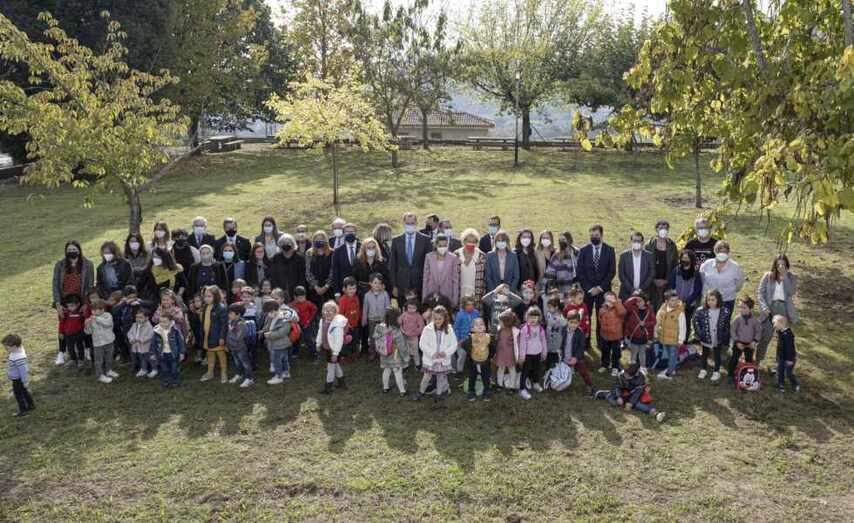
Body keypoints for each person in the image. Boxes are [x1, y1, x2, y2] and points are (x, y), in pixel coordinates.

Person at [52, 241, 95, 364]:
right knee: (64, 324)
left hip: (81, 299)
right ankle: (61, 352)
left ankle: (87, 349)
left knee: (85, 323)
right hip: (65, 300)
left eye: (74, 249)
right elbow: (55, 284)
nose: (72, 252)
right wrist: (58, 303)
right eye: (69, 250)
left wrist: (86, 303)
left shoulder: (88, 264)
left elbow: (90, 284)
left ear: (79, 250)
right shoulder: (60, 265)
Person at [576, 225, 617, 356]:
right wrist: (589, 288)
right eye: (592, 235)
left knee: (602, 318)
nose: (594, 237)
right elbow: (580, 271)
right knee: (585, 317)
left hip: (603, 291)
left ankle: (601, 342)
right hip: (587, 291)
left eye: (596, 235)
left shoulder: (610, 250)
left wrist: (599, 288)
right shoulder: (583, 250)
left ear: (601, 235)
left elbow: (611, 272)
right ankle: (585, 342)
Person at [756, 254, 799, 370]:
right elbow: (760, 293)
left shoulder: (792, 277)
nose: (780, 266)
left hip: (784, 309)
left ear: (787, 265)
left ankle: (779, 365)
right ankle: (757, 361)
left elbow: (791, 292)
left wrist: (785, 277)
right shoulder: (768, 276)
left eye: (783, 264)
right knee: (765, 336)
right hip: (770, 308)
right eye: (778, 264)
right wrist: (764, 307)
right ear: (775, 265)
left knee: (783, 339)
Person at [414, 305, 457, 401]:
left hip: (442, 359)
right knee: (427, 376)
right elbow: (422, 344)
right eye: (435, 319)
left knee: (440, 377)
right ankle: (421, 392)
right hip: (431, 359)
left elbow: (454, 344)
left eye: (440, 319)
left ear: (444, 318)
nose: (437, 321)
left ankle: (439, 393)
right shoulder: (427, 329)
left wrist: (446, 353)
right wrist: (432, 353)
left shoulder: (449, 329)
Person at [389, 212, 432, 300]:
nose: (410, 225)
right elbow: (393, 265)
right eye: (407, 223)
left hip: (419, 283)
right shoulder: (396, 241)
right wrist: (394, 285)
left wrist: (428, 284)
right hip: (402, 284)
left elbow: (430, 264)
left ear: (416, 223)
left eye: (412, 223)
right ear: (403, 223)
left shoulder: (425, 240)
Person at [602, 363, 666, 422]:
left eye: (628, 376)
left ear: (634, 375)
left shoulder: (640, 377)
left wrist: (631, 403)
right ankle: (606, 394)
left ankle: (656, 414)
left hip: (634, 394)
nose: (625, 376)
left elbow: (638, 392)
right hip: (623, 392)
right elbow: (617, 386)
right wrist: (619, 396)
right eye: (625, 374)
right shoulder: (621, 374)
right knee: (615, 403)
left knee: (637, 404)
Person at [692, 289, 732, 382]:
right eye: (708, 300)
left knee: (717, 354)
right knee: (704, 353)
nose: (710, 302)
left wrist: (724, 335)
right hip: (705, 336)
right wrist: (700, 333)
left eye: (713, 300)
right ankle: (703, 369)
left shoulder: (724, 311)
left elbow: (727, 325)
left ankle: (716, 371)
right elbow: (695, 321)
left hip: (717, 337)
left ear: (718, 300)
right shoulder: (701, 311)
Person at [699, 240, 744, 317]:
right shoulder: (706, 264)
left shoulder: (735, 267)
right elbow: (701, 280)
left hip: (727, 301)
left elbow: (739, 284)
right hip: (709, 300)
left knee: (724, 323)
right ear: (715, 252)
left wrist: (730, 291)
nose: (722, 254)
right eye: (719, 251)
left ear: (728, 253)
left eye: (725, 252)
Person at [372, 306, 409, 396]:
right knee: (397, 371)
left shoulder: (380, 327)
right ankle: (402, 391)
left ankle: (385, 387)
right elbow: (401, 346)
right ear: (395, 319)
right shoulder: (396, 331)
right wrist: (406, 357)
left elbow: (374, 336)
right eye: (399, 317)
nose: (401, 319)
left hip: (384, 354)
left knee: (386, 369)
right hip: (395, 355)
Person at [668, 249, 702, 342]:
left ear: (691, 260)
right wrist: (675, 300)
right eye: (683, 258)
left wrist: (687, 302)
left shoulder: (696, 273)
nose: (685, 261)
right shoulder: (676, 270)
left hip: (688, 304)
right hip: (675, 303)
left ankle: (684, 341)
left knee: (686, 322)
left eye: (687, 259)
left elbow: (697, 290)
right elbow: (671, 285)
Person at [646, 220, 679, 311]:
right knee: (651, 307)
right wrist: (653, 280)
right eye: (661, 228)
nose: (663, 230)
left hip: (666, 283)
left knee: (664, 308)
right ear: (656, 229)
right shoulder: (648, 245)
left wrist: (667, 280)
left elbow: (675, 265)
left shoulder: (672, 246)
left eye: (665, 228)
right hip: (651, 283)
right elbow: (645, 265)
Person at [317, 300, 349, 394]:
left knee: (330, 368)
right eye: (325, 310)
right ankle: (342, 383)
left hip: (334, 350)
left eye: (330, 310)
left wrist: (335, 354)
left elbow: (339, 340)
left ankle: (328, 387)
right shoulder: (323, 321)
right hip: (327, 348)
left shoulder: (337, 325)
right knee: (336, 365)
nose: (327, 312)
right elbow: (320, 333)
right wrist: (318, 343)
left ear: (335, 312)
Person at [199, 285, 229, 384]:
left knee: (220, 353)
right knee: (210, 353)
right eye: (205, 296)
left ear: (215, 296)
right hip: (207, 335)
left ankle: (224, 372)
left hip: (217, 336)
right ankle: (210, 372)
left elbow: (224, 324)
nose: (206, 298)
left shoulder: (221, 308)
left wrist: (222, 337)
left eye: (209, 296)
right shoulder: (205, 307)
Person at [728, 296, 761, 383]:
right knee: (734, 359)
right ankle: (730, 374)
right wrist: (736, 341)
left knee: (749, 359)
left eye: (744, 308)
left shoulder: (755, 321)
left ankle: (747, 374)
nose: (741, 309)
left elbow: (758, 331)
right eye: (740, 307)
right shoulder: (737, 319)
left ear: (750, 309)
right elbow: (732, 330)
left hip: (750, 344)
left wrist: (755, 341)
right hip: (739, 343)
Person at [517, 307, 548, 400]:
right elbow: (522, 344)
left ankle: (535, 383)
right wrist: (522, 356)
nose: (533, 319)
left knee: (537, 369)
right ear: (527, 317)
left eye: (535, 317)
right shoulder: (524, 329)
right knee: (525, 371)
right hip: (527, 355)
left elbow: (543, 341)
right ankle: (522, 389)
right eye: (531, 317)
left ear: (539, 318)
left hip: (537, 353)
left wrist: (544, 352)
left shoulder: (540, 329)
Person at [654, 290, 686, 379]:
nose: (674, 302)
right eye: (672, 300)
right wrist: (656, 333)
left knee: (673, 355)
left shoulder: (680, 312)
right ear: (666, 301)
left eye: (676, 300)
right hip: (664, 338)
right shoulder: (662, 310)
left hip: (674, 339)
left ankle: (668, 373)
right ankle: (672, 368)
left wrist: (681, 339)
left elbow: (683, 327)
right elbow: (657, 322)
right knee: (669, 354)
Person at [422, 233, 461, 306]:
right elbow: (425, 279)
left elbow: (455, 281)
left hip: (447, 296)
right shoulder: (429, 257)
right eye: (440, 246)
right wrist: (424, 298)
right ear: (436, 245)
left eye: (444, 245)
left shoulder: (453, 258)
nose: (442, 248)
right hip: (432, 295)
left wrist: (455, 300)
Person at [85, 299, 118, 384]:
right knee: (99, 360)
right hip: (98, 344)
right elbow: (88, 332)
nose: (93, 312)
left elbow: (107, 324)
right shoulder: (91, 319)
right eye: (92, 310)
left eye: (95, 310)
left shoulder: (108, 315)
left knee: (109, 357)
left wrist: (96, 319)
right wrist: (87, 325)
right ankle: (99, 375)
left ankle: (108, 370)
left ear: (102, 309)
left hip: (109, 341)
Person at [623, 291, 656, 374]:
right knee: (634, 352)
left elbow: (654, 321)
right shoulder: (632, 308)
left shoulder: (649, 309)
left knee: (642, 352)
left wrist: (645, 324)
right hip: (634, 334)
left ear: (645, 301)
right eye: (637, 301)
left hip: (644, 335)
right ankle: (632, 367)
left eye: (640, 301)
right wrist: (634, 298)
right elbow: (626, 304)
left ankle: (643, 367)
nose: (638, 303)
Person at [563, 311, 596, 395]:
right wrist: (559, 350)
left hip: (576, 357)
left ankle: (590, 385)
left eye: (576, 323)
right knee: (562, 371)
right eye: (571, 322)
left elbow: (581, 348)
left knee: (583, 371)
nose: (573, 325)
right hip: (565, 356)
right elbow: (561, 342)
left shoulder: (580, 333)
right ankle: (561, 382)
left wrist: (576, 358)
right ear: (567, 321)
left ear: (579, 323)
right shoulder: (563, 330)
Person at [150, 310, 186, 388]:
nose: (162, 324)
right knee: (164, 370)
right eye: (160, 322)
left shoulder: (175, 330)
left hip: (173, 354)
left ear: (170, 321)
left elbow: (180, 342)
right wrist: (152, 353)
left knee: (174, 369)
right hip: (162, 354)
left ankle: (175, 381)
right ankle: (166, 381)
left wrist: (182, 353)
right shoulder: (156, 331)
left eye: (165, 322)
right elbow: (153, 344)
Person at [3, 334, 35, 417]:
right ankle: (31, 405)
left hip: (18, 380)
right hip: (19, 379)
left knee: (18, 395)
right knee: (24, 392)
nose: (6, 349)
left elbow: (23, 371)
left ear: (14, 346)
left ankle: (23, 411)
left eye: (7, 348)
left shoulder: (18, 357)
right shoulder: (17, 350)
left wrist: (24, 381)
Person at [462, 317, 492, 401]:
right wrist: (470, 353)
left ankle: (486, 391)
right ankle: (471, 391)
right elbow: (464, 345)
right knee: (472, 377)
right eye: (476, 325)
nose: (479, 326)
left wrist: (490, 357)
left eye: (481, 324)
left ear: (485, 327)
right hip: (473, 362)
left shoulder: (488, 337)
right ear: (472, 329)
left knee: (486, 377)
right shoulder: (471, 338)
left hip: (485, 362)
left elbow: (493, 348)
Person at [455, 229, 486, 309]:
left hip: (475, 292)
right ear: (464, 241)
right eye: (469, 241)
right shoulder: (456, 254)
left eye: (473, 241)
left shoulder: (481, 256)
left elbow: (484, 277)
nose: (471, 244)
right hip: (460, 291)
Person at [269, 234, 307, 300]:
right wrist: (276, 290)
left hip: (296, 293)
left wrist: (299, 292)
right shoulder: (276, 258)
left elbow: (302, 277)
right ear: (280, 246)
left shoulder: (300, 258)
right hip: (279, 293)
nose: (286, 245)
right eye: (283, 243)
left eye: (288, 243)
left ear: (293, 244)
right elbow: (273, 275)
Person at [618, 231, 653, 301]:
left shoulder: (649, 256)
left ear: (642, 242)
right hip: (626, 293)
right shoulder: (623, 256)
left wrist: (640, 289)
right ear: (631, 242)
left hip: (644, 293)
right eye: (634, 241)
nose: (636, 243)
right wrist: (632, 290)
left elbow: (651, 274)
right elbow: (621, 275)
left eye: (639, 241)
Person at [543, 231, 579, 299]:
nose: (562, 242)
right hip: (561, 292)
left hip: (575, 292)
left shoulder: (577, 253)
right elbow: (549, 274)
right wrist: (552, 289)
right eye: (560, 240)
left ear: (569, 240)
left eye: (564, 239)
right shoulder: (556, 255)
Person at [362, 274, 391, 358]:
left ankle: (380, 352)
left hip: (382, 320)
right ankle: (372, 352)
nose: (377, 285)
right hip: (372, 320)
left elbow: (388, 307)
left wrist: (387, 319)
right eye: (375, 283)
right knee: (372, 337)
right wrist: (364, 319)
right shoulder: (367, 295)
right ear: (370, 283)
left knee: (381, 337)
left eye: (379, 283)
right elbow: (365, 308)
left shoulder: (385, 294)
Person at [597, 292, 626, 376]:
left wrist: (616, 303)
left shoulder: (618, 308)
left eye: (612, 300)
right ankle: (604, 364)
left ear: (616, 300)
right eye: (607, 300)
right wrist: (603, 328)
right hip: (605, 335)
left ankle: (615, 367)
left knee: (616, 352)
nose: (610, 302)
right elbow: (600, 319)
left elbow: (623, 312)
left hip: (616, 336)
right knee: (605, 351)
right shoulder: (602, 309)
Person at [226, 303, 254, 388]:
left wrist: (231, 331)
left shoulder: (241, 324)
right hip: (233, 347)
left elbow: (239, 337)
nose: (229, 315)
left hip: (240, 348)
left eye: (231, 313)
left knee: (245, 363)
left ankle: (249, 378)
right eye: (229, 313)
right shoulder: (231, 322)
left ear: (238, 314)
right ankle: (239, 374)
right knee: (237, 362)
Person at [492, 309, 520, 392]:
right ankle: (499, 385)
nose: (499, 323)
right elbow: (497, 340)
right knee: (500, 368)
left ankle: (512, 386)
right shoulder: (500, 329)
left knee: (512, 369)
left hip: (510, 354)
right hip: (501, 353)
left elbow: (517, 344)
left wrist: (519, 355)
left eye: (500, 322)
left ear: (507, 322)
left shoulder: (514, 331)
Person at [305, 231, 334, 308]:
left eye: (321, 239)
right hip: (314, 288)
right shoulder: (309, 253)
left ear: (326, 240)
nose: (319, 241)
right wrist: (315, 286)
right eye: (317, 239)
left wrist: (326, 286)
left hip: (328, 288)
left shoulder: (332, 253)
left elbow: (333, 271)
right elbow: (308, 272)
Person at [331, 223, 361, 295]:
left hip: (360, 289)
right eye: (347, 232)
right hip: (343, 289)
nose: (350, 234)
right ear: (343, 234)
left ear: (356, 233)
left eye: (352, 231)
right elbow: (335, 272)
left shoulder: (362, 248)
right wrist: (336, 292)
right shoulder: (338, 251)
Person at [453, 296, 480, 374]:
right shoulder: (460, 315)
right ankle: (459, 371)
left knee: (478, 352)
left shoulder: (476, 313)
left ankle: (477, 370)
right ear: (464, 306)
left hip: (473, 337)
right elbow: (456, 328)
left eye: (472, 304)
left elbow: (479, 324)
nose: (470, 307)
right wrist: (458, 340)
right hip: (462, 339)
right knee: (462, 354)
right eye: (468, 305)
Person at [290, 286, 319, 360]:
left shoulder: (308, 303)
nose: (302, 299)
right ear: (295, 297)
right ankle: (295, 352)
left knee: (308, 338)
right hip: (297, 325)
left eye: (303, 297)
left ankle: (314, 353)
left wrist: (309, 320)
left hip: (306, 324)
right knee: (296, 338)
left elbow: (315, 309)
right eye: (300, 298)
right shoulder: (292, 305)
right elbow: (288, 309)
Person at [58, 295, 87, 369]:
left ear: (78, 304)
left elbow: (84, 323)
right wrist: (61, 332)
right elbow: (61, 323)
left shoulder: (81, 314)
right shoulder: (66, 313)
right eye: (68, 306)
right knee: (70, 348)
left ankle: (81, 360)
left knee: (80, 347)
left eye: (72, 306)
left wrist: (82, 331)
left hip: (78, 334)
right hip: (68, 335)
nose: (70, 308)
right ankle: (73, 359)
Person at [127, 307, 155, 378]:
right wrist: (132, 339)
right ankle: (143, 369)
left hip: (146, 347)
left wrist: (142, 340)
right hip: (137, 346)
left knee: (150, 358)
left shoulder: (149, 326)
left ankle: (154, 369)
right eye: (137, 317)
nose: (138, 319)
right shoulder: (134, 325)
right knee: (141, 358)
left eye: (141, 317)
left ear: (147, 318)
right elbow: (130, 333)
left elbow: (150, 335)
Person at [773, 315, 800, 392]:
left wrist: (789, 359)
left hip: (789, 358)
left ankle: (795, 384)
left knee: (788, 373)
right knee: (780, 370)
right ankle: (781, 384)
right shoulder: (781, 331)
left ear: (781, 323)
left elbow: (789, 348)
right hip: (781, 357)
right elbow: (777, 330)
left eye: (775, 323)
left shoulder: (788, 334)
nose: (774, 325)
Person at [337, 277, 361, 358]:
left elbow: (358, 310)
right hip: (346, 326)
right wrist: (346, 324)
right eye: (350, 289)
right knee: (346, 341)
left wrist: (358, 319)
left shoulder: (356, 298)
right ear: (345, 289)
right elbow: (340, 314)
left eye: (354, 288)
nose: (352, 291)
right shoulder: (343, 300)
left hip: (355, 324)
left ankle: (354, 354)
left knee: (355, 339)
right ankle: (344, 355)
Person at [400, 298, 425, 369]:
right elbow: (400, 323)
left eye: (413, 308)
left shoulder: (418, 316)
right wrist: (402, 330)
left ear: (417, 308)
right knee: (406, 350)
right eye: (409, 308)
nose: (411, 309)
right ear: (406, 307)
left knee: (415, 351)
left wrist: (416, 332)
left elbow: (421, 326)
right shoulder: (404, 314)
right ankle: (406, 364)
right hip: (405, 336)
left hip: (414, 337)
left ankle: (417, 364)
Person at [544, 297, 567, 370]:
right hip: (548, 340)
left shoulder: (560, 318)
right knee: (548, 355)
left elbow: (565, 324)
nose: (548, 309)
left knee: (554, 357)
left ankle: (555, 370)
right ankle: (548, 369)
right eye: (548, 307)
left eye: (550, 307)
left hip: (556, 342)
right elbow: (547, 323)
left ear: (556, 307)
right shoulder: (549, 314)